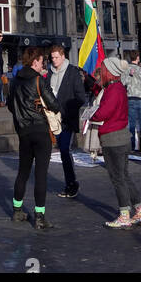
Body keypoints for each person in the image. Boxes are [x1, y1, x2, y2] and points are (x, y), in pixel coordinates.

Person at [7, 46, 61, 230]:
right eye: (41, 61)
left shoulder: (14, 81)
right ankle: (40, 216)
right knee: (40, 174)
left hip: (23, 132)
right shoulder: (39, 80)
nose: (43, 64)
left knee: (23, 171)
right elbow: (54, 104)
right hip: (40, 131)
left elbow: (9, 106)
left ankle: (17, 210)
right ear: (34, 61)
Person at [90, 56, 141, 228]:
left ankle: (124, 214)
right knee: (125, 175)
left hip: (113, 138)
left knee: (117, 177)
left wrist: (92, 114)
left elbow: (104, 112)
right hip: (121, 135)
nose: (102, 72)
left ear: (110, 71)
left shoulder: (113, 89)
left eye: (103, 69)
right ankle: (139, 210)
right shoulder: (119, 87)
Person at [47, 43, 86, 197]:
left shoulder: (72, 72)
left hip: (67, 119)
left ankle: (71, 183)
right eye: (52, 58)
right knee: (57, 150)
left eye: (56, 57)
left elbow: (81, 97)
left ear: (63, 56)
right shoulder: (49, 73)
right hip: (51, 119)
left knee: (64, 150)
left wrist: (66, 109)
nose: (54, 60)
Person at [124, 52, 141, 154]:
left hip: (130, 98)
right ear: (137, 58)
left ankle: (132, 146)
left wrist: (129, 75)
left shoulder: (126, 70)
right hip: (140, 99)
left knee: (132, 123)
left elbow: (122, 83)